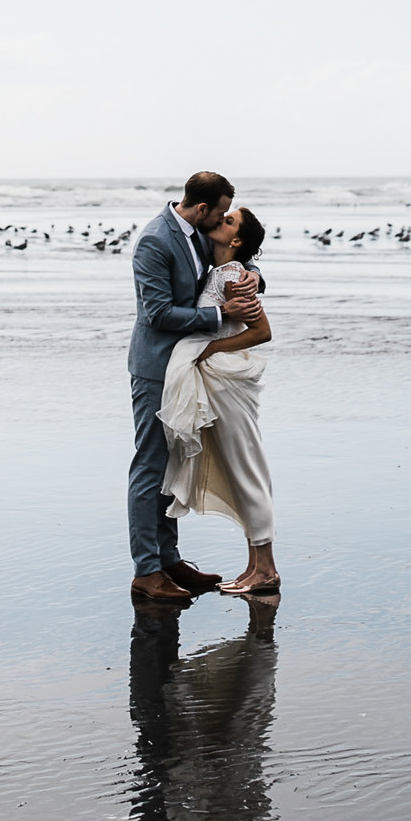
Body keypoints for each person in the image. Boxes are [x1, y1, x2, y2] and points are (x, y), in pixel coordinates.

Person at [125, 173, 263, 602]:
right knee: (150, 465)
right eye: (221, 213)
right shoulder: (155, 241)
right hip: (155, 368)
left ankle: (169, 559)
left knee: (171, 464)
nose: (223, 220)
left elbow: (232, 258)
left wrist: (254, 274)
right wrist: (220, 314)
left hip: (186, 368)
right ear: (202, 209)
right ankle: (147, 571)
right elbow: (158, 314)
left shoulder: (200, 234)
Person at [160, 204, 281, 594]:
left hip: (227, 382)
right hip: (218, 381)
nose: (219, 220)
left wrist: (212, 348)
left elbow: (262, 331)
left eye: (229, 220)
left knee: (247, 469)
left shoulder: (232, 276)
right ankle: (254, 567)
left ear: (237, 240)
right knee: (239, 469)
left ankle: (266, 570)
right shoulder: (222, 270)